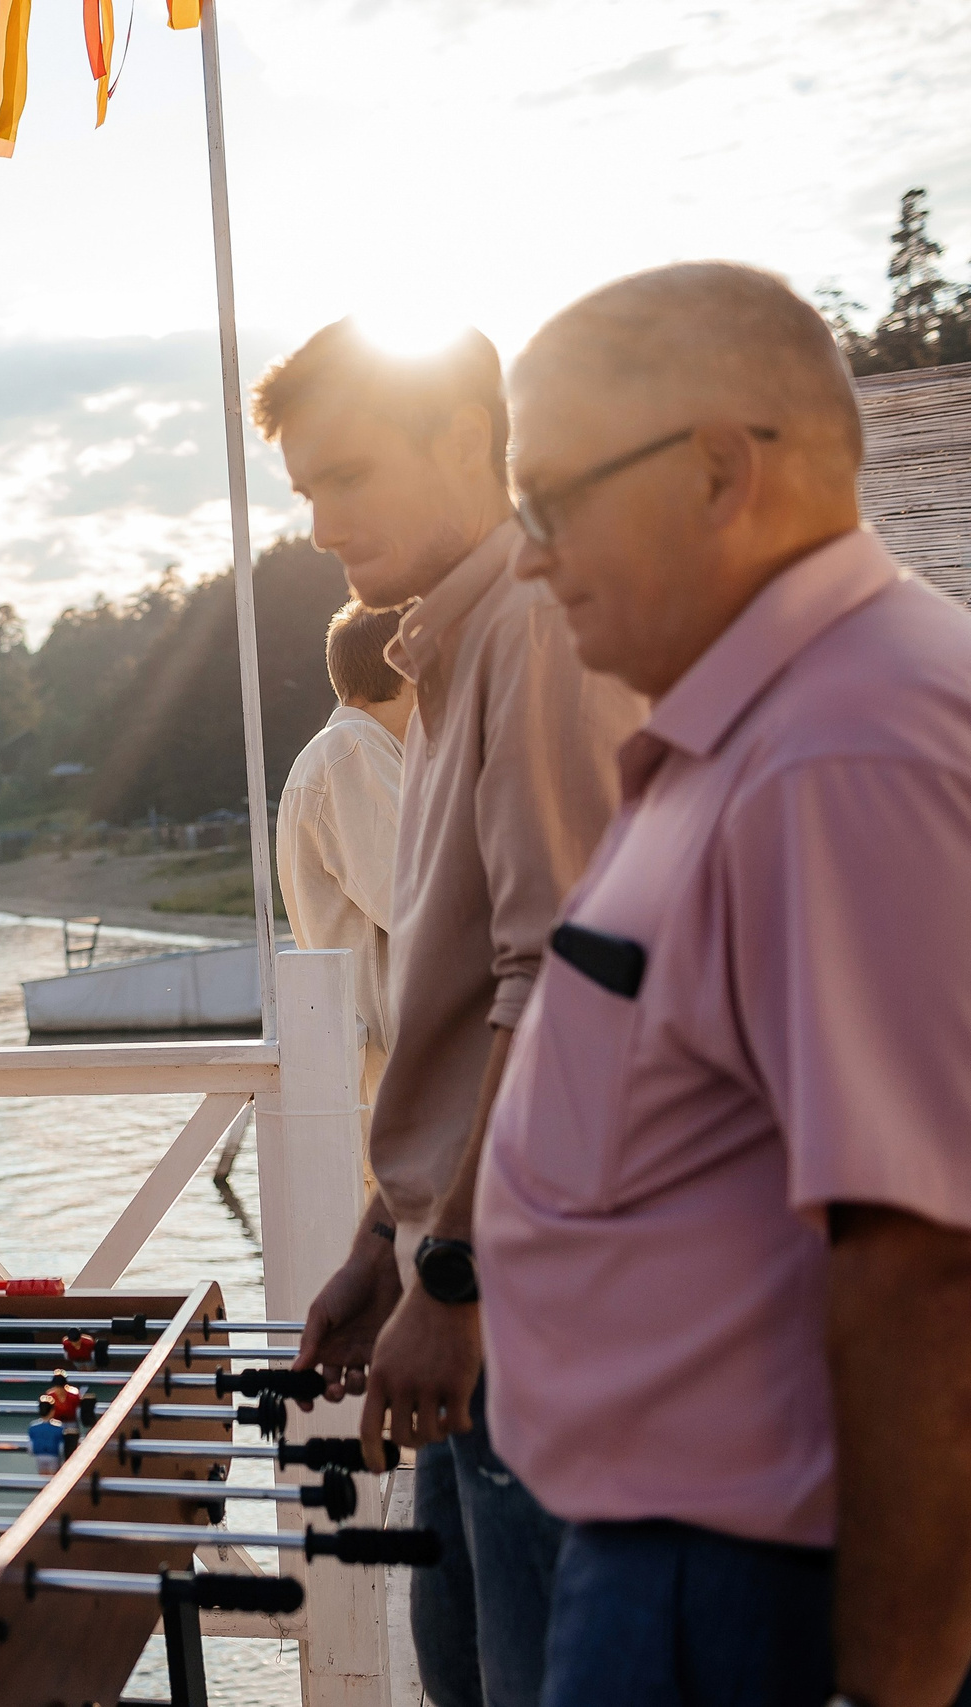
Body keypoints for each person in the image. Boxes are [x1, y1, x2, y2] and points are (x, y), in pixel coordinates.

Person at [484, 263, 971, 1707]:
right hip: (686, 1567)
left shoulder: (847, 749)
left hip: (754, 1592)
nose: (528, 556)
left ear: (713, 471)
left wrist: (887, 1686)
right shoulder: (763, 730)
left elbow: (926, 1254)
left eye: (549, 500)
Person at [255, 319, 643, 1707]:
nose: (318, 524)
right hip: (457, 1269)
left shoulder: (538, 627)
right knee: (464, 1674)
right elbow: (454, 990)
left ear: (466, 441)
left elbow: (566, 981)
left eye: (346, 475)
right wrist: (382, 1234)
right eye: (304, 491)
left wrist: (455, 1271)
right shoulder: (452, 646)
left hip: (528, 1290)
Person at [275, 600, 411, 1112]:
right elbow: (423, 905)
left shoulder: (350, 751)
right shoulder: (352, 754)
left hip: (376, 1074)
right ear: (407, 667)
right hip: (393, 1078)